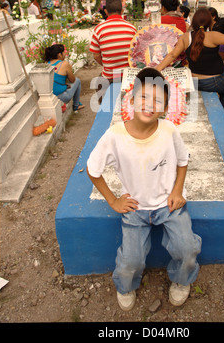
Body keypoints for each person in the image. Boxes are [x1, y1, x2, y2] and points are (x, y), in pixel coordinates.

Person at [86, 67, 202, 311]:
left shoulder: (169, 131)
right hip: (136, 209)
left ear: (165, 107)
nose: (149, 105)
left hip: (168, 206)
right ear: (131, 99)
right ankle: (125, 286)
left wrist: (178, 191)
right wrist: (113, 200)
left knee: (187, 247)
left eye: (158, 100)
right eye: (143, 97)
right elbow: (92, 170)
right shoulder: (115, 136)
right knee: (130, 260)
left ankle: (182, 280)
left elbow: (183, 160)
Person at [156, 8, 224, 115]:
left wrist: (157, 68)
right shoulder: (213, 35)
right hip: (213, 82)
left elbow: (172, 55)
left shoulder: (186, 37)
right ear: (209, 23)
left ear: (194, 22)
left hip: (193, 81)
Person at [89, 0, 137, 83]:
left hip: (110, 77)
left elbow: (96, 56)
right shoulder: (132, 28)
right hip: (129, 75)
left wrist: (108, 66)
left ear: (106, 12)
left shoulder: (98, 29)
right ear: (122, 11)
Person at [44, 44, 85, 113]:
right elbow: (72, 80)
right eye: (63, 52)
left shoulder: (46, 64)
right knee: (77, 80)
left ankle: (76, 104)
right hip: (62, 97)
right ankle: (76, 105)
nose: (65, 54)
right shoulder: (64, 64)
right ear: (59, 55)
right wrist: (70, 69)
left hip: (50, 97)